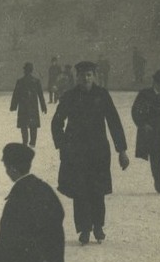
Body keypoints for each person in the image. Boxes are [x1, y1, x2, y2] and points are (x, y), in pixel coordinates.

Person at [51, 60, 129, 245]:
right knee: (80, 192)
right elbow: (56, 122)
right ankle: (84, 230)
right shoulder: (70, 96)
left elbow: (114, 122)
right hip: (76, 153)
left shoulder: (102, 95)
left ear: (94, 76)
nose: (85, 78)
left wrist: (122, 150)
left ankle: (98, 227)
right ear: (77, 77)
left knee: (97, 190)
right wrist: (63, 144)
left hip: (98, 152)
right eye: (82, 75)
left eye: (89, 75)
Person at [10, 62, 49, 147]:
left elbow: (16, 95)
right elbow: (40, 95)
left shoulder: (20, 81)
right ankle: (32, 142)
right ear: (32, 70)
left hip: (23, 106)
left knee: (24, 125)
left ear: (24, 71)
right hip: (33, 106)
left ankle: (25, 141)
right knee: (33, 125)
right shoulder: (36, 81)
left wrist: (13, 106)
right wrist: (43, 107)